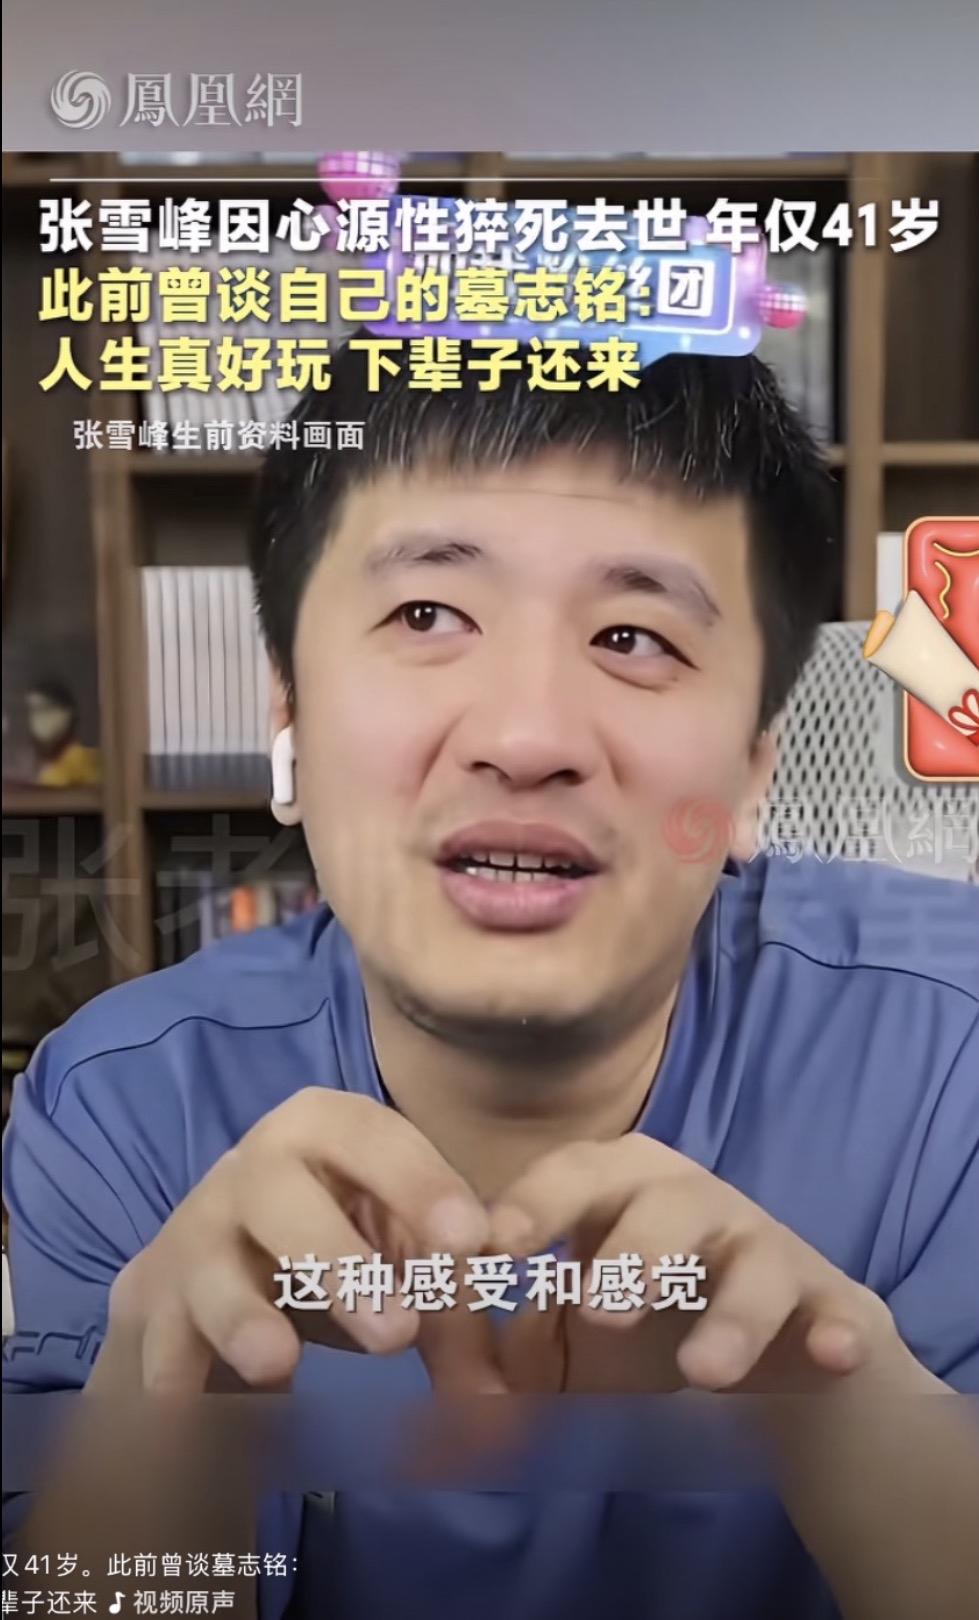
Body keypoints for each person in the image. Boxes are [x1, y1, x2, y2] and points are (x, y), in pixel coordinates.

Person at [3, 343, 978, 1620]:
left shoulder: (949, 1061)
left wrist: (851, 1413)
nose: (526, 738)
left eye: (632, 636)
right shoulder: (123, 1101)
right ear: (286, 715)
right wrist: (162, 1435)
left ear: (752, 770)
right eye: (427, 617)